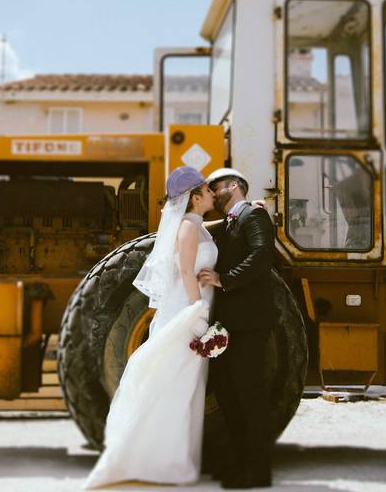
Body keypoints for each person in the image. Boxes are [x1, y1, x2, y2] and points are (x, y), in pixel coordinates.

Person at [83, 166, 217, 489]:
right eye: (208, 188)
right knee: (176, 383)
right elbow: (186, 271)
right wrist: (198, 311)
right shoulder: (187, 227)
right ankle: (161, 460)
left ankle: (175, 458)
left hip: (192, 305)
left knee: (186, 384)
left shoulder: (195, 224)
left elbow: (201, 234)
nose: (214, 192)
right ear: (195, 197)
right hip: (187, 309)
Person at [198, 167, 278, 489]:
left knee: (250, 396)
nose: (212, 193)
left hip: (250, 322)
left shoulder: (252, 217)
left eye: (215, 187)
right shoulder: (235, 219)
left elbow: (263, 254)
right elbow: (197, 227)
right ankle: (239, 462)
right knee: (229, 394)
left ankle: (257, 470)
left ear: (232, 185)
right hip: (230, 325)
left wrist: (224, 280)